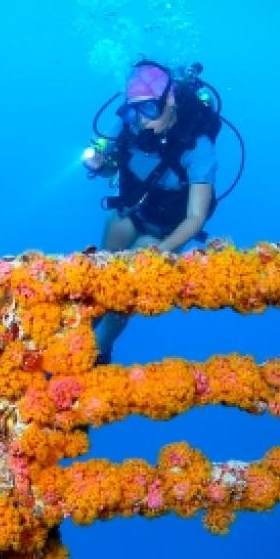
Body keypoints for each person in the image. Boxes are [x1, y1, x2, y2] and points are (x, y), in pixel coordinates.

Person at [83, 61, 219, 363]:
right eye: (134, 111)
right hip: (134, 209)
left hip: (169, 225)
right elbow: (111, 167)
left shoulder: (198, 145)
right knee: (106, 261)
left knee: (131, 277)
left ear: (168, 101)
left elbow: (196, 218)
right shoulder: (128, 125)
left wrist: (162, 250)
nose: (141, 121)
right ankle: (82, 326)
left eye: (149, 110)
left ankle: (99, 350)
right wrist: (99, 165)